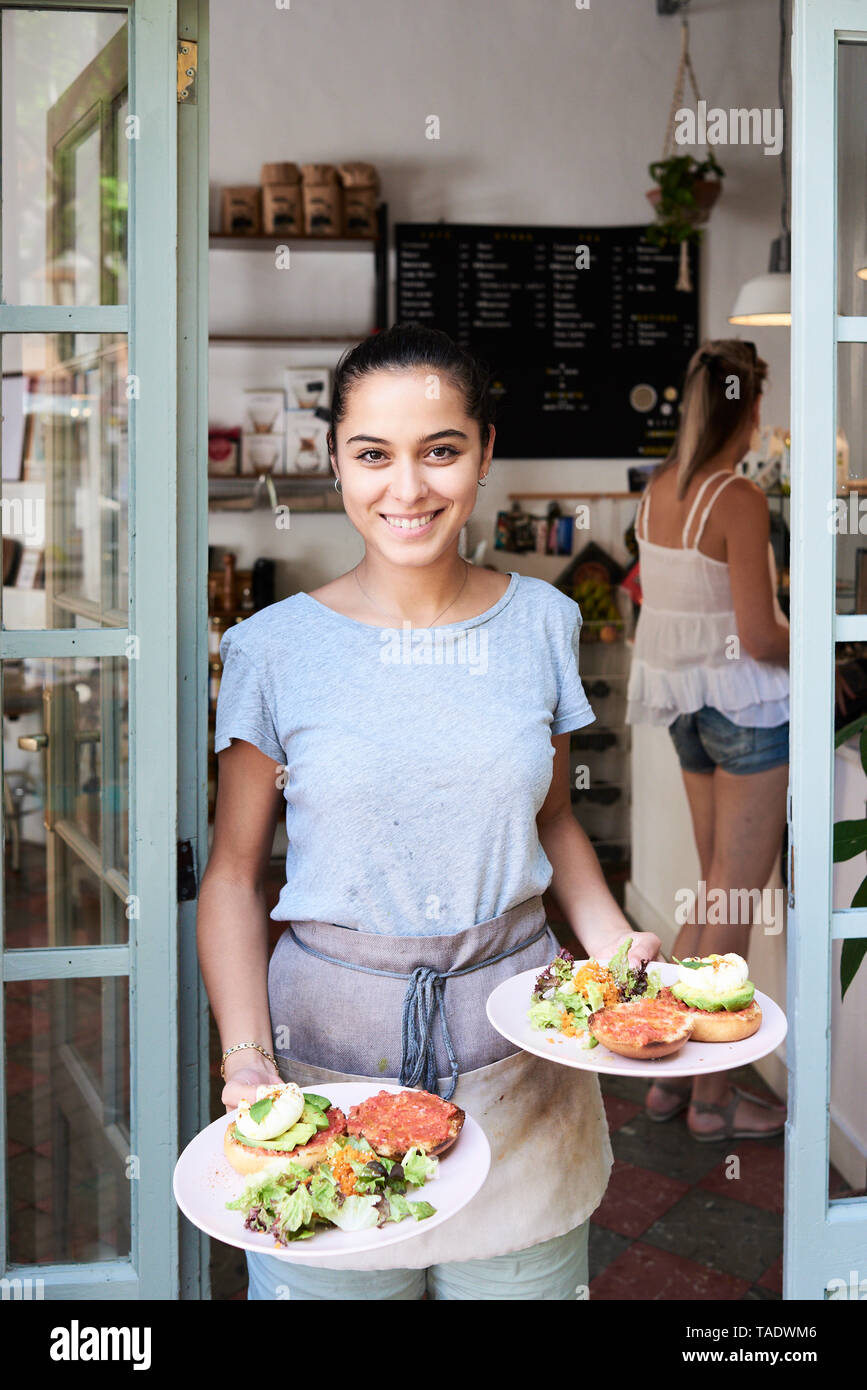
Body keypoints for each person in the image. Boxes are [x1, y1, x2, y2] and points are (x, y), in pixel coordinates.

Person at [197, 323, 661, 1300]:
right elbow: (235, 875)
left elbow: (552, 819)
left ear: (485, 452)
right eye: (374, 454)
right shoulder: (272, 649)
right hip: (327, 1072)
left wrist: (612, 940)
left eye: (440, 450)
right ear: (335, 460)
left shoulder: (544, 621)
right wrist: (247, 1059)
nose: (406, 489)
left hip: (520, 1063)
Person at [626, 338, 789, 1141]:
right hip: (748, 715)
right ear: (747, 409)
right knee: (732, 898)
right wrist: (822, 641)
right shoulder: (737, 497)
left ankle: (663, 1069)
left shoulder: (655, 491)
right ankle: (713, 1099)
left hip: (686, 714)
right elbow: (760, 638)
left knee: (712, 888)